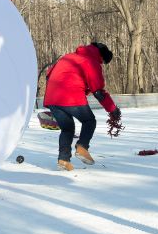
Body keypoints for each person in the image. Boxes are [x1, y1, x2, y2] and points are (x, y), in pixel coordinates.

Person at [43, 42, 121, 171]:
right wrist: (112, 109)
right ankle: (82, 147)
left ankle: (63, 160)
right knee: (89, 121)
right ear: (101, 55)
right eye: (102, 62)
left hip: (52, 97)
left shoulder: (67, 57)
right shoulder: (91, 61)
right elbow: (98, 92)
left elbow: (49, 75)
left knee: (67, 129)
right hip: (70, 96)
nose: (101, 64)